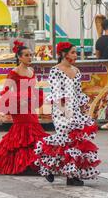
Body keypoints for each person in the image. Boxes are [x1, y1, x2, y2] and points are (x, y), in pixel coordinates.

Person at [34, 42, 101, 187]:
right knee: (64, 139)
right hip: (61, 110)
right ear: (64, 54)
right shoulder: (55, 70)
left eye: (76, 53)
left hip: (75, 109)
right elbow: (56, 93)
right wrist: (65, 113)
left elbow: (78, 91)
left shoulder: (76, 71)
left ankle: (72, 175)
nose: (76, 56)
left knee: (76, 141)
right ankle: (47, 166)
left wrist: (83, 108)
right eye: (73, 53)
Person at [0, 41, 49, 175]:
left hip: (30, 105)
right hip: (20, 107)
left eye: (31, 55)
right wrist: (18, 99)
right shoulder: (14, 72)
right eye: (27, 55)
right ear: (19, 57)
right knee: (25, 130)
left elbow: (34, 88)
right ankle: (25, 163)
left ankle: (31, 162)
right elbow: (5, 91)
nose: (30, 57)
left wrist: (34, 97)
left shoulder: (31, 71)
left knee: (33, 129)